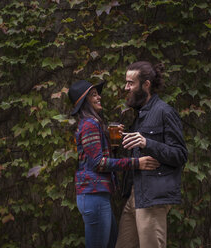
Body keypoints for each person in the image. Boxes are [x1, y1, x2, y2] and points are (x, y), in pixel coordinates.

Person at [68, 79, 160, 248]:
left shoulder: (92, 123)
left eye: (98, 94)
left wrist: (113, 145)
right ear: (84, 101)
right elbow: (98, 163)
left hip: (97, 195)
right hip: (93, 196)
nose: (99, 97)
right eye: (93, 95)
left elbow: (96, 158)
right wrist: (136, 163)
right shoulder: (89, 124)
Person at [115, 61, 188, 248]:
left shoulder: (165, 111)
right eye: (126, 82)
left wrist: (147, 143)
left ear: (146, 84)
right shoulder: (138, 116)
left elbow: (180, 155)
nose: (126, 87)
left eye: (131, 83)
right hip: (134, 195)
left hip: (153, 198)